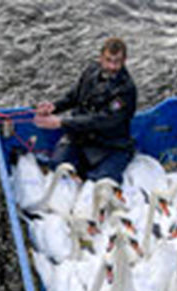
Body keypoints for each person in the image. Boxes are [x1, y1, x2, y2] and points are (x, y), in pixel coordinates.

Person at [33, 37, 137, 183]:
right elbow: (74, 96)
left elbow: (103, 120)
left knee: (98, 182)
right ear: (101, 58)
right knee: (56, 166)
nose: (112, 66)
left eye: (117, 62)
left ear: (124, 60)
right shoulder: (91, 71)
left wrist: (62, 123)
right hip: (81, 137)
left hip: (110, 145)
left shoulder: (126, 90)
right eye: (108, 60)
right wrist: (54, 107)